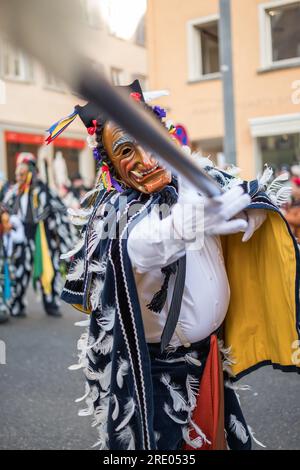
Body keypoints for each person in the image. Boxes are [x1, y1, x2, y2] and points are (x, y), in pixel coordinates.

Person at [47, 80, 300, 450]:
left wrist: (249, 213)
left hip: (211, 356)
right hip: (159, 372)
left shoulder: (197, 180)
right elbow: (141, 248)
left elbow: (248, 192)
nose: (146, 160)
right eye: (126, 150)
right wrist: (183, 225)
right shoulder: (115, 216)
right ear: (112, 167)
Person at [4, 152, 75, 318]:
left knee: (48, 271)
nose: (20, 176)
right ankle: (17, 304)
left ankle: (51, 304)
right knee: (19, 271)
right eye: (18, 173)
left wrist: (54, 225)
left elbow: (61, 210)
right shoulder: (15, 192)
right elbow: (6, 209)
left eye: (23, 172)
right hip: (22, 238)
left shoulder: (44, 190)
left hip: (43, 237)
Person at [0, 204, 24, 323]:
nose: (8, 225)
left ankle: (5, 309)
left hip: (7, 265)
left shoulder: (10, 235)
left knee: (9, 288)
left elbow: (20, 237)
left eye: (8, 221)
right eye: (5, 222)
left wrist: (17, 223)